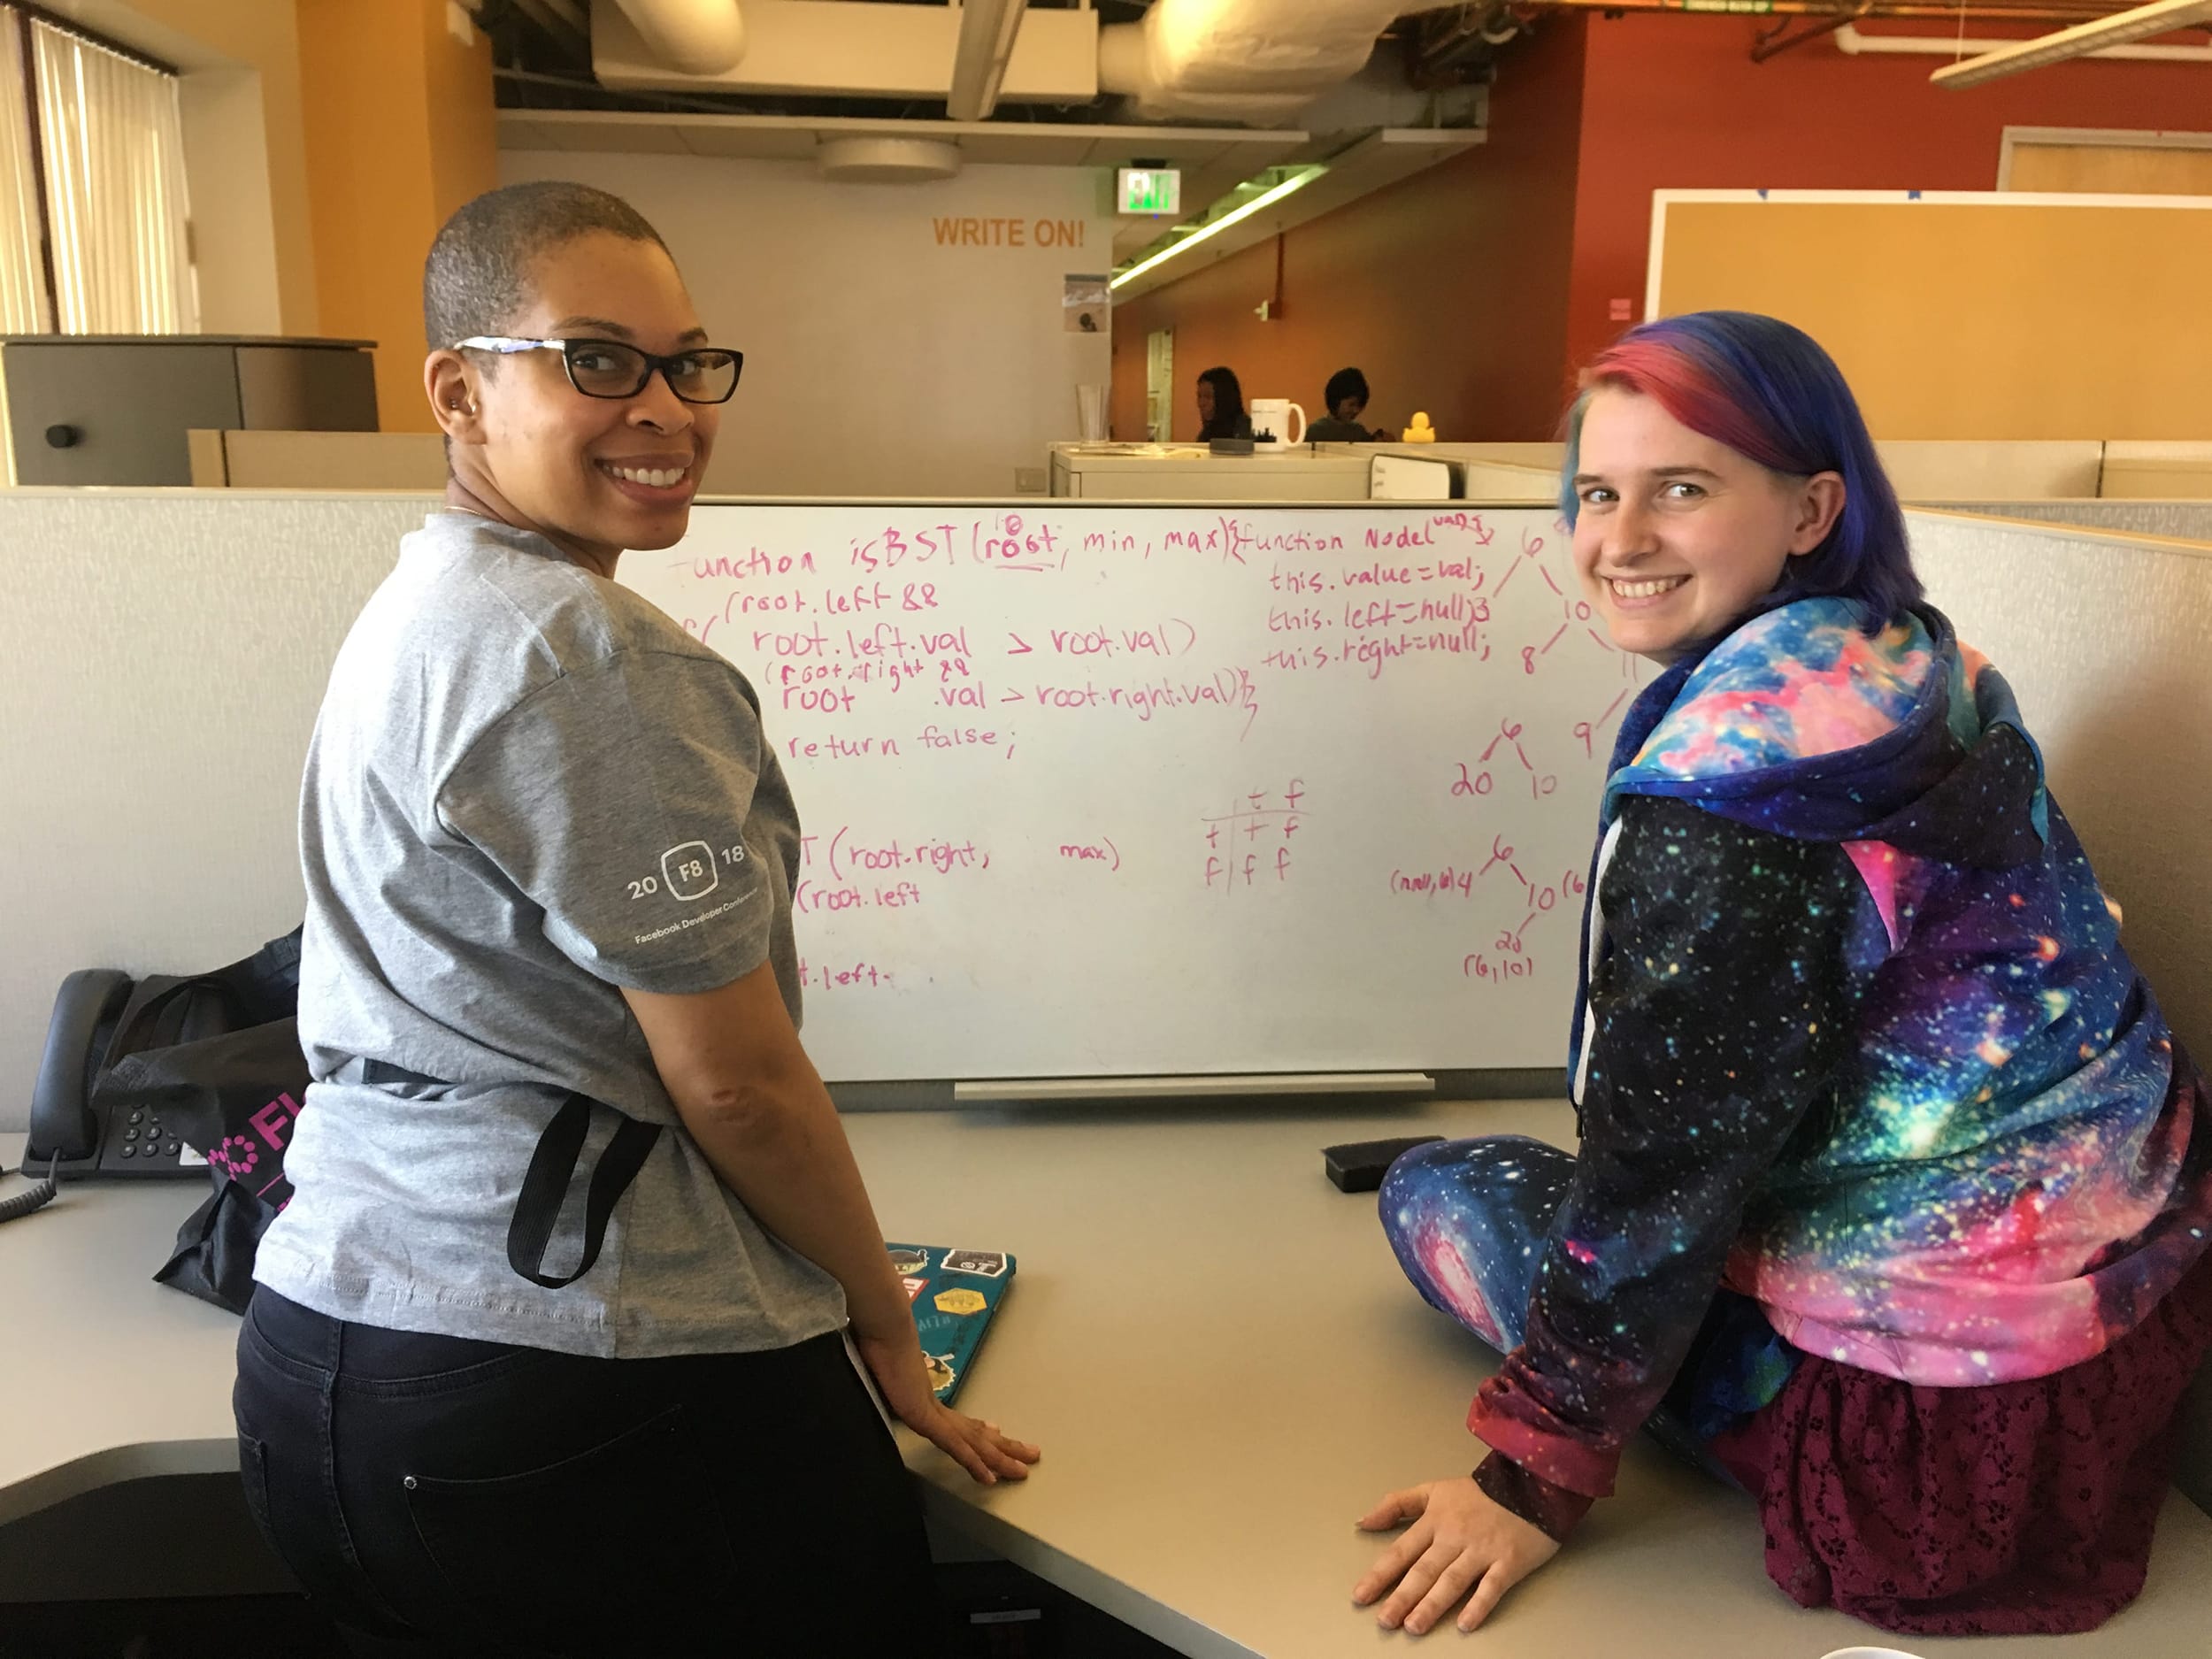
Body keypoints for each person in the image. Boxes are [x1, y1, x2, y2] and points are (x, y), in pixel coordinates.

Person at [232, 181, 1038, 1656]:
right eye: (597, 360)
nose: (665, 408)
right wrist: (880, 1323)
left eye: (689, 363)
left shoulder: (425, 606)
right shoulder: (588, 655)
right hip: (580, 1389)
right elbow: (736, 1079)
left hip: (324, 1360)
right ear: (458, 390)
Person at [1353, 311, 2212, 1640]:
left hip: (1914, 1451)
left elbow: (1658, 1184)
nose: (1620, 539)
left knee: (1439, 1187)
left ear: (1812, 508)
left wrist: (1529, 1476)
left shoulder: (1729, 799)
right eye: (1597, 492)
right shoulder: (1925, 663)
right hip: (2116, 1347)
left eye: (1682, 489)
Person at [1305, 366, 1377, 442]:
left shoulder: (1359, 432)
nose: (1356, 410)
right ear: (1336, 401)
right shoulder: (1316, 431)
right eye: (1351, 404)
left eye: (1360, 405)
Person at [1194, 365, 1253, 441]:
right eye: (1199, 396)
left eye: (1208, 397)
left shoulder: (1245, 431)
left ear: (1224, 398)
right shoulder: (1207, 433)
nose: (1201, 403)